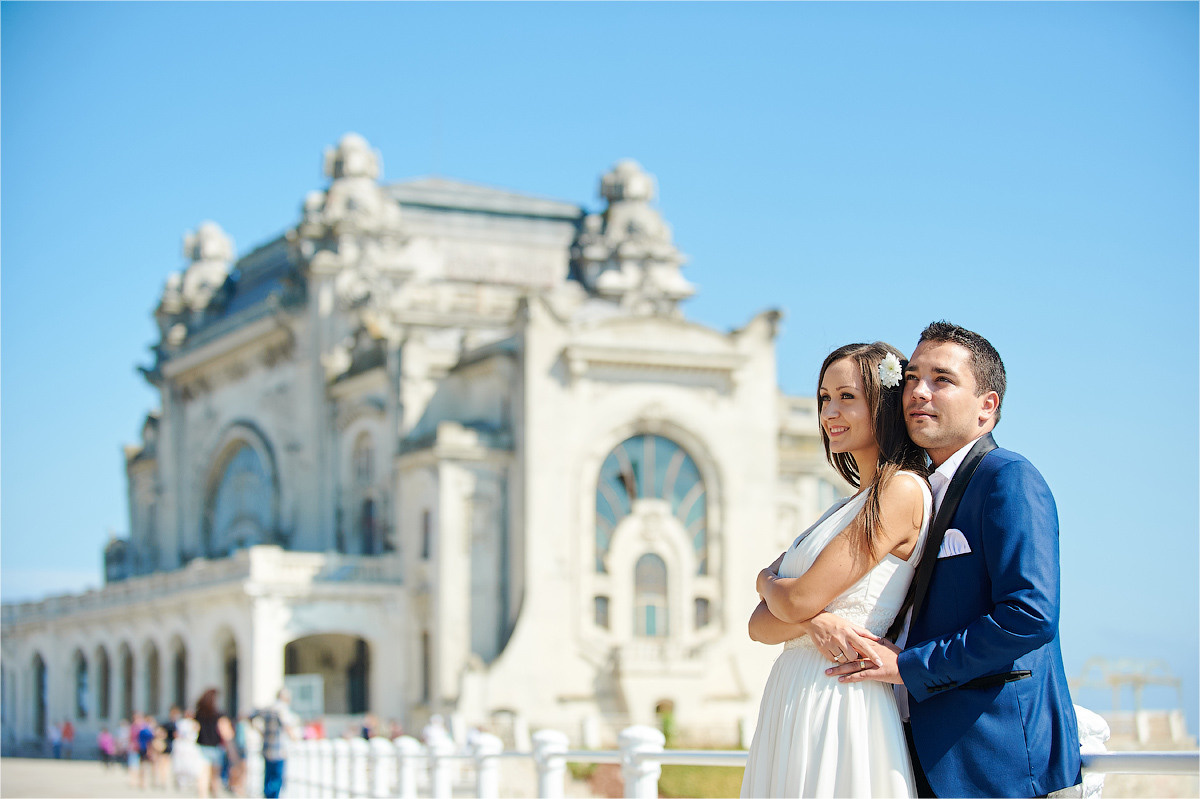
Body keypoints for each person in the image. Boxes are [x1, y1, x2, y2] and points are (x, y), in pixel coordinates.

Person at [827, 322, 1082, 797]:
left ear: (988, 408)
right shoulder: (915, 492)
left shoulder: (1009, 479)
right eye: (911, 378)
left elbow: (1030, 616)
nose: (918, 393)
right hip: (912, 752)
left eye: (942, 380)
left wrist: (907, 667)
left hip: (997, 763)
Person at [740, 341, 932, 797]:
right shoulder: (845, 506)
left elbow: (795, 598)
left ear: (883, 403)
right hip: (796, 691)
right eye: (825, 398)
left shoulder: (900, 491)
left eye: (848, 397)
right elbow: (758, 627)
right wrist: (816, 620)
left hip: (840, 695)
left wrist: (767, 581)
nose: (831, 412)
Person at [249, 688, 299, 799]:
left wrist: (261, 732)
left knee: (268, 777)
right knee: (277, 778)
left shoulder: (268, 708)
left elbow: (250, 716)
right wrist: (295, 738)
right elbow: (287, 726)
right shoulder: (282, 709)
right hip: (279, 750)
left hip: (267, 748)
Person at [194, 688, 232, 798]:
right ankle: (215, 795)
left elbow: (194, 729)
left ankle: (203, 796)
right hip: (215, 748)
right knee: (215, 777)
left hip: (201, 747)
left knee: (203, 777)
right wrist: (232, 752)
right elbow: (226, 733)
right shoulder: (219, 715)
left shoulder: (199, 714)